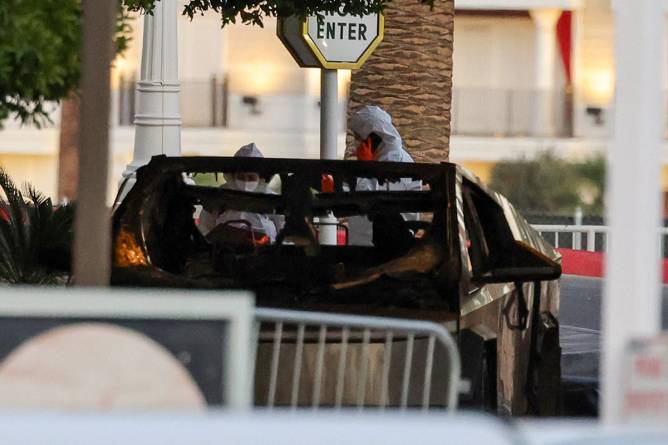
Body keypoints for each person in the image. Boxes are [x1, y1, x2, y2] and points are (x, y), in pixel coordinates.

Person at [198, 143, 281, 243]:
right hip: (225, 253)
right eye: (241, 177)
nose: (245, 181)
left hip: (264, 253)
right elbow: (204, 228)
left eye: (251, 178)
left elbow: (285, 232)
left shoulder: (271, 199)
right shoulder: (218, 197)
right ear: (233, 176)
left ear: (260, 178)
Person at [349, 105, 422, 192]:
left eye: (359, 137)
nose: (358, 143)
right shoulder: (380, 156)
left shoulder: (394, 159)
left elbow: (367, 197)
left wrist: (366, 166)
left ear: (373, 137)